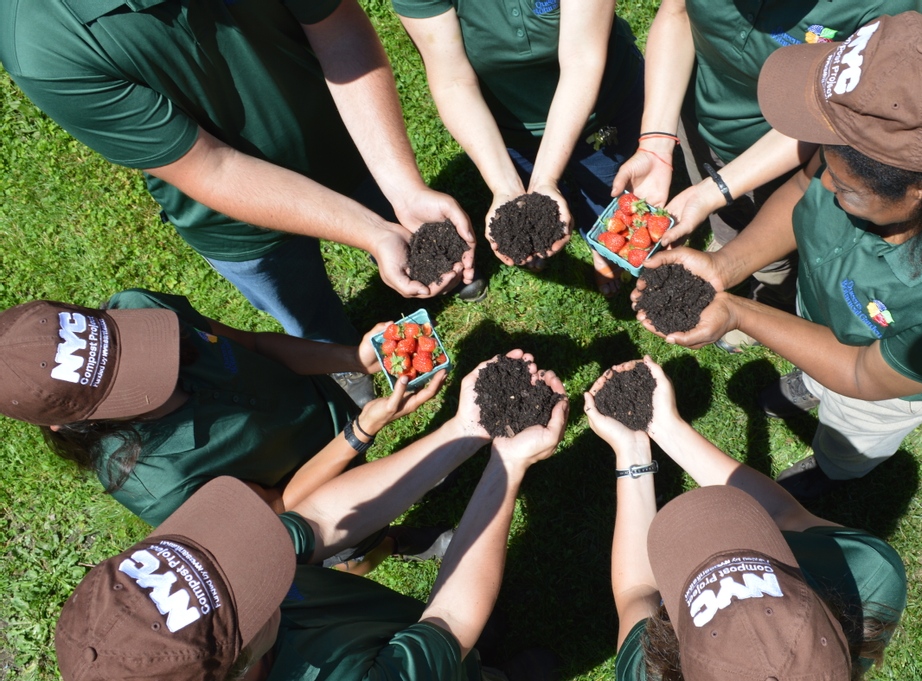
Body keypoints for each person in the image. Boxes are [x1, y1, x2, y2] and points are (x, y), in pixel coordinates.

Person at [0, 0, 481, 405]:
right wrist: (373, 233)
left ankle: (440, 266)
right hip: (232, 220)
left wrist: (403, 188)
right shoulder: (41, 44)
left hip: (345, 141)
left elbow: (335, 26)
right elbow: (211, 167)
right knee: (306, 310)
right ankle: (343, 365)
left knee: (403, 223)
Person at [633, 12, 922, 500]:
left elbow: (862, 373)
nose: (827, 186)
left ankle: (836, 465)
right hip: (826, 311)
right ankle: (813, 382)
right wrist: (723, 266)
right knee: (819, 361)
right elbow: (803, 186)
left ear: (919, 192)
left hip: (881, 384)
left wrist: (738, 312)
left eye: (846, 189)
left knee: (853, 427)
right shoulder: (862, 152)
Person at [53, 352, 568, 681]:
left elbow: (318, 518)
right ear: (240, 664)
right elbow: (449, 622)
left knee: (467, 652)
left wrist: (466, 429)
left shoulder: (214, 580)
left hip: (386, 627)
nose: (244, 557)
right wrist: (506, 464)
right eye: (244, 584)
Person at [0, 288, 445, 537]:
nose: (166, 365)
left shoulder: (142, 311)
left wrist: (352, 359)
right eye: (131, 385)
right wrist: (360, 433)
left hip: (318, 406)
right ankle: (386, 546)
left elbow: (254, 345)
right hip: (309, 491)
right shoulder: (155, 483)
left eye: (132, 344)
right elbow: (276, 506)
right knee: (356, 544)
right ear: (68, 423)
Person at [612, 0, 922, 350]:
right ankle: (731, 242)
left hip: (786, 156)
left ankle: (771, 294)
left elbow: (834, 116)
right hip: (699, 115)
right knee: (724, 212)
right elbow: (677, 13)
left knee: (772, 230)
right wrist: (657, 143)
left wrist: (718, 191)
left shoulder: (885, 9)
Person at [585, 358, 906, 680]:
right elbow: (783, 514)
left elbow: (638, 591)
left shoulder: (647, 672)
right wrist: (666, 428)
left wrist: (633, 452)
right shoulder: (866, 581)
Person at [392, 0, 644, 295]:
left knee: (606, 185)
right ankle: (535, 234)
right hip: (508, 125)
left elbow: (582, 60)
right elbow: (453, 81)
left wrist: (545, 180)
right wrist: (505, 188)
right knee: (523, 177)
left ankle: (601, 241)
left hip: (601, 107)